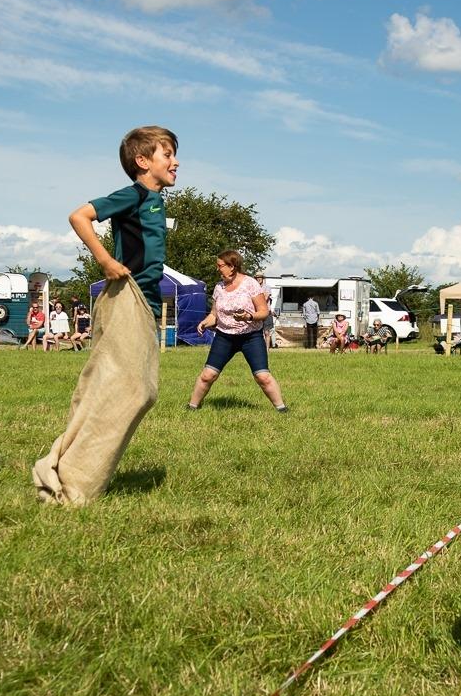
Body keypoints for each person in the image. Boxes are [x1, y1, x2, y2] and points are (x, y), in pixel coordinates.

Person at [32, 125, 178, 505]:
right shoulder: (131, 195)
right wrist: (106, 260)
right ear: (142, 162)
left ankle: (79, 472)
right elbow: (79, 216)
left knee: (137, 390)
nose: (175, 162)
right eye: (167, 155)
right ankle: (69, 476)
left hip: (143, 301)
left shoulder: (156, 201)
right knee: (126, 388)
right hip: (125, 298)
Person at [187, 250, 287, 412]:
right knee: (208, 376)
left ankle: (282, 410)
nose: (218, 269)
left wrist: (248, 316)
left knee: (262, 377)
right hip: (224, 337)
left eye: (220, 266)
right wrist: (205, 322)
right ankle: (191, 408)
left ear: (232, 266)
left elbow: (263, 311)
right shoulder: (219, 287)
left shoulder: (250, 284)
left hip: (251, 337)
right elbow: (214, 314)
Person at [255, 273, 276, 348]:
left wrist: (257, 299)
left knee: (267, 332)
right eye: (257, 277)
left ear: (262, 278)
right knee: (258, 333)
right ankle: (260, 349)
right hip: (257, 312)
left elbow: (266, 298)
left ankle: (267, 350)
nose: (258, 279)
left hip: (266, 312)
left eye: (260, 277)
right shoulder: (254, 288)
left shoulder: (267, 287)